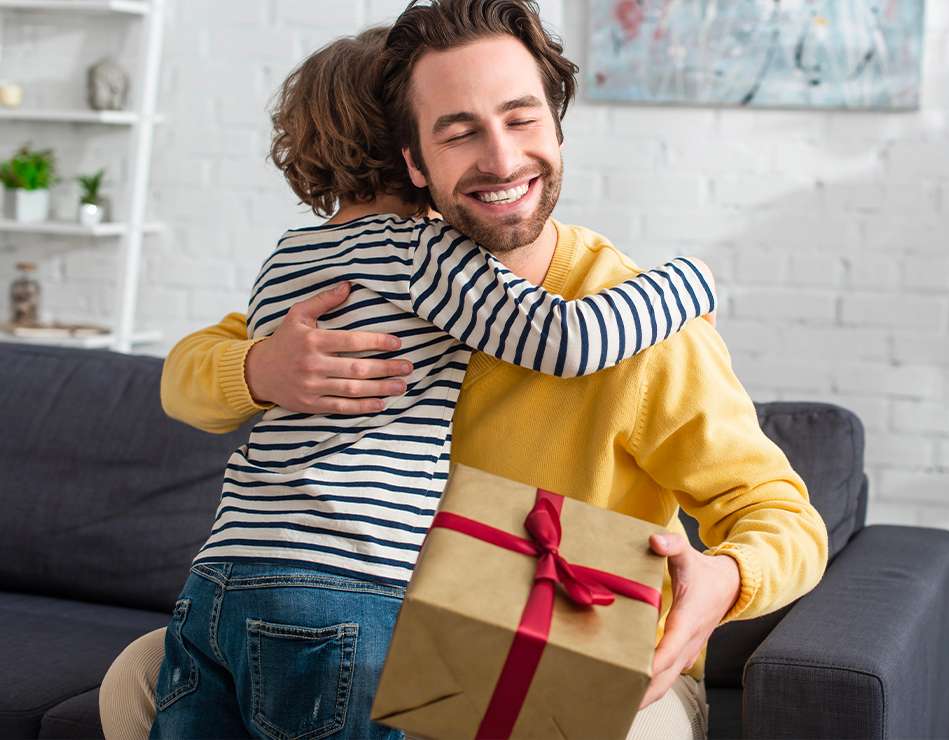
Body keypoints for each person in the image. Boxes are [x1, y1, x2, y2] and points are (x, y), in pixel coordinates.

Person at [101, 2, 830, 739]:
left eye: (520, 120)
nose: (503, 161)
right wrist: (259, 370)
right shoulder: (372, 289)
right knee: (136, 673)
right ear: (414, 159)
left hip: (571, 653)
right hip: (390, 632)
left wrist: (727, 577)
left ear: (556, 125)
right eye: (458, 131)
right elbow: (183, 374)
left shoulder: (633, 324)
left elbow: (782, 517)